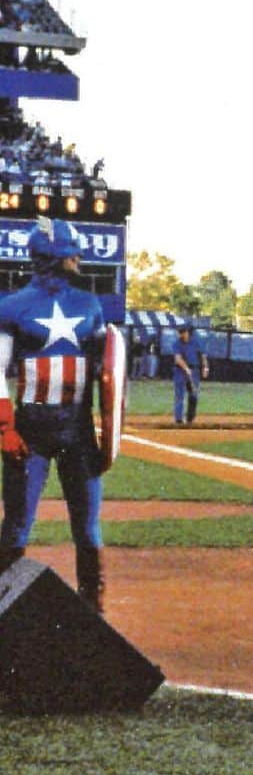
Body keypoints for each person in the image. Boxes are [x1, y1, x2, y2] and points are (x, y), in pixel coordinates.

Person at [0, 217, 109, 612]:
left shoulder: (90, 305)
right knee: (16, 525)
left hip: (78, 429)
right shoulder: (12, 307)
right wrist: (5, 428)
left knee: (87, 526)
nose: (78, 257)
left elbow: (106, 370)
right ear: (54, 256)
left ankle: (94, 612)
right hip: (29, 430)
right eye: (72, 251)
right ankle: (4, 617)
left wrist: (108, 432)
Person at [173, 323, 208, 424]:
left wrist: (205, 367)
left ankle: (190, 419)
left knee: (194, 395)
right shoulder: (177, 343)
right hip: (180, 371)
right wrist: (186, 368)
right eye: (179, 332)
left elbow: (203, 356)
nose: (180, 334)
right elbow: (178, 359)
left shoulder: (196, 342)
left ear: (187, 333)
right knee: (179, 395)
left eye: (182, 332)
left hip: (195, 371)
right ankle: (178, 419)